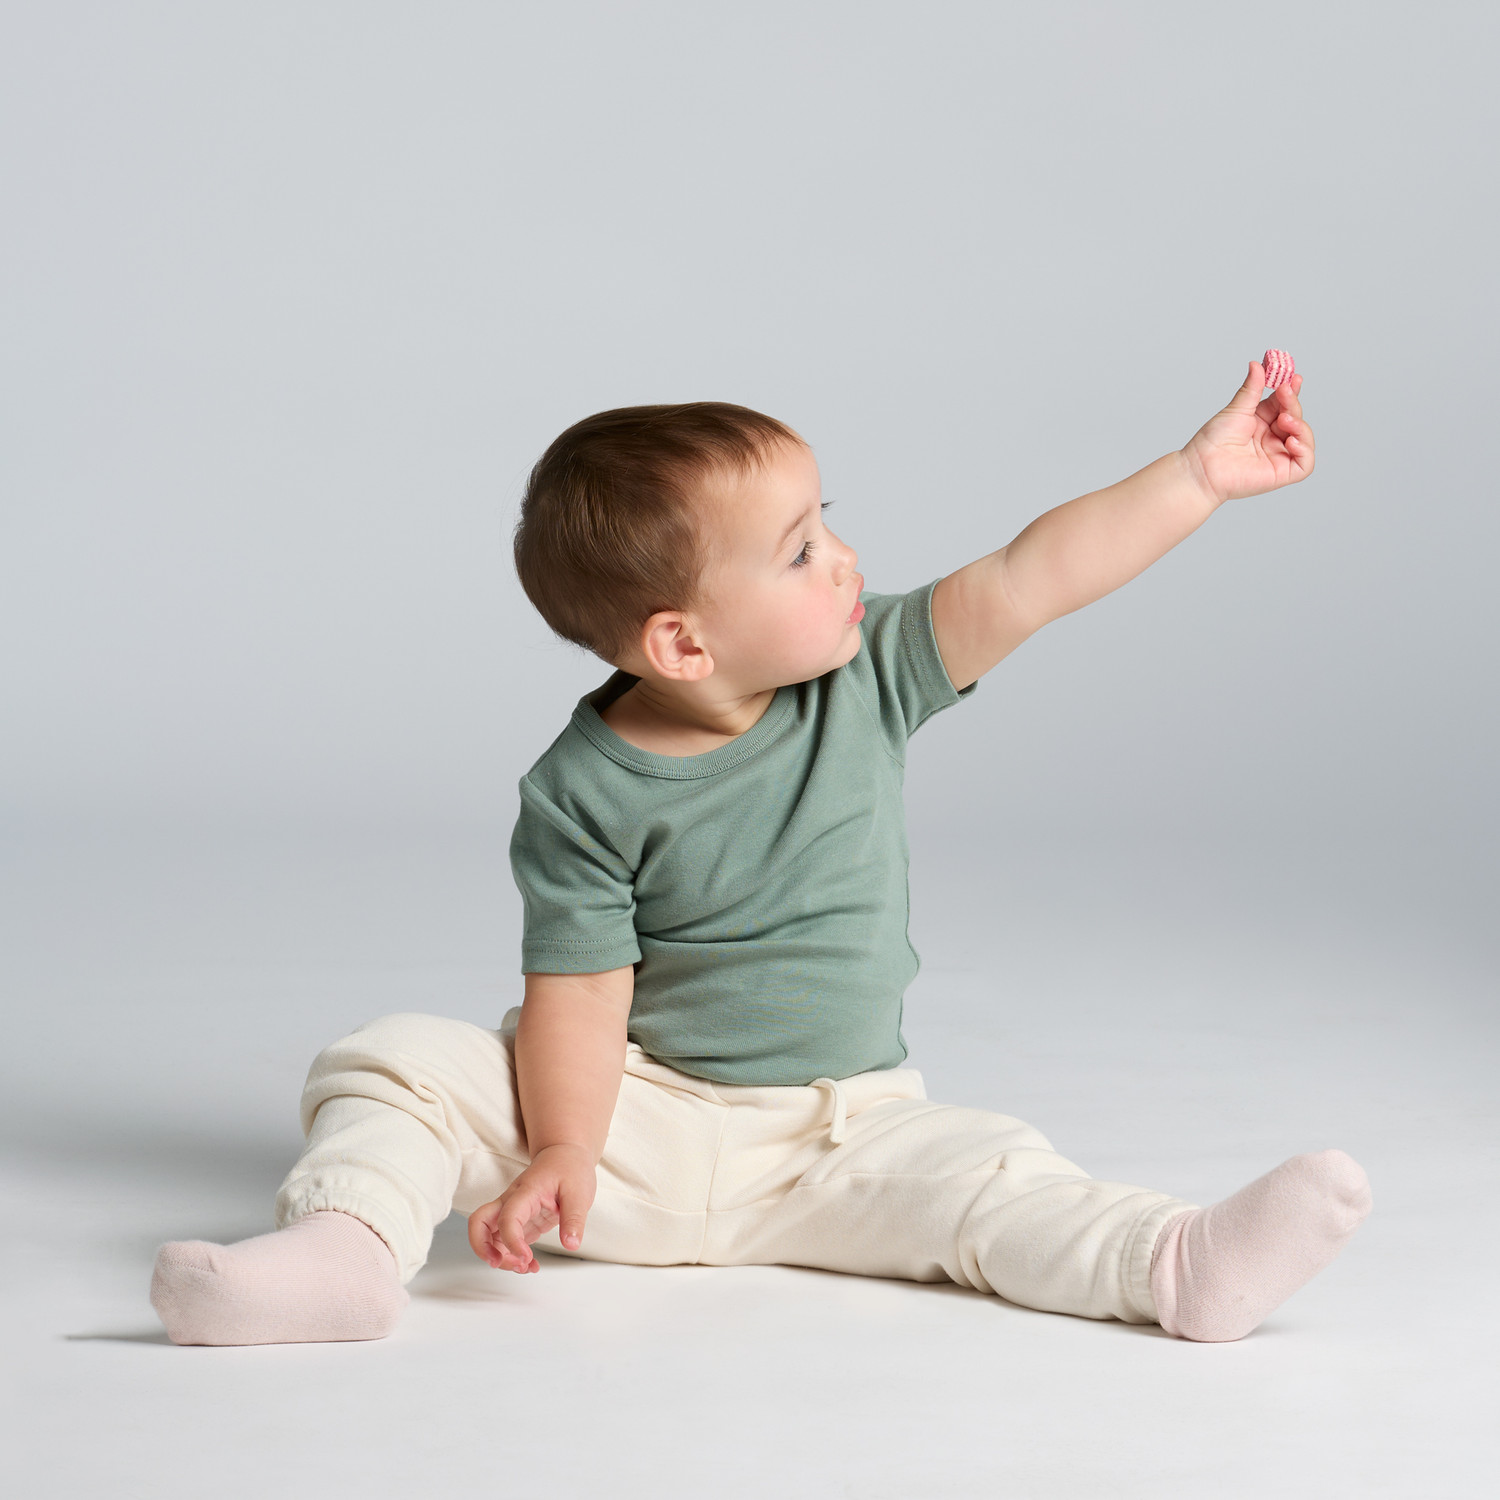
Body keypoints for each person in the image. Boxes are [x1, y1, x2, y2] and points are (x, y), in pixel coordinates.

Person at [149, 364, 1371, 1347]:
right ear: (682, 644)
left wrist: (1195, 476)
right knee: (394, 1062)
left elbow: (1032, 574)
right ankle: (348, 1252)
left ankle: (1173, 1265)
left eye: (828, 523)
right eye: (799, 551)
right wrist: (566, 1147)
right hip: (635, 1129)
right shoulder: (578, 789)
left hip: (843, 1138)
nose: (844, 558)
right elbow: (580, 989)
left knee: (996, 1175)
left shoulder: (872, 673)